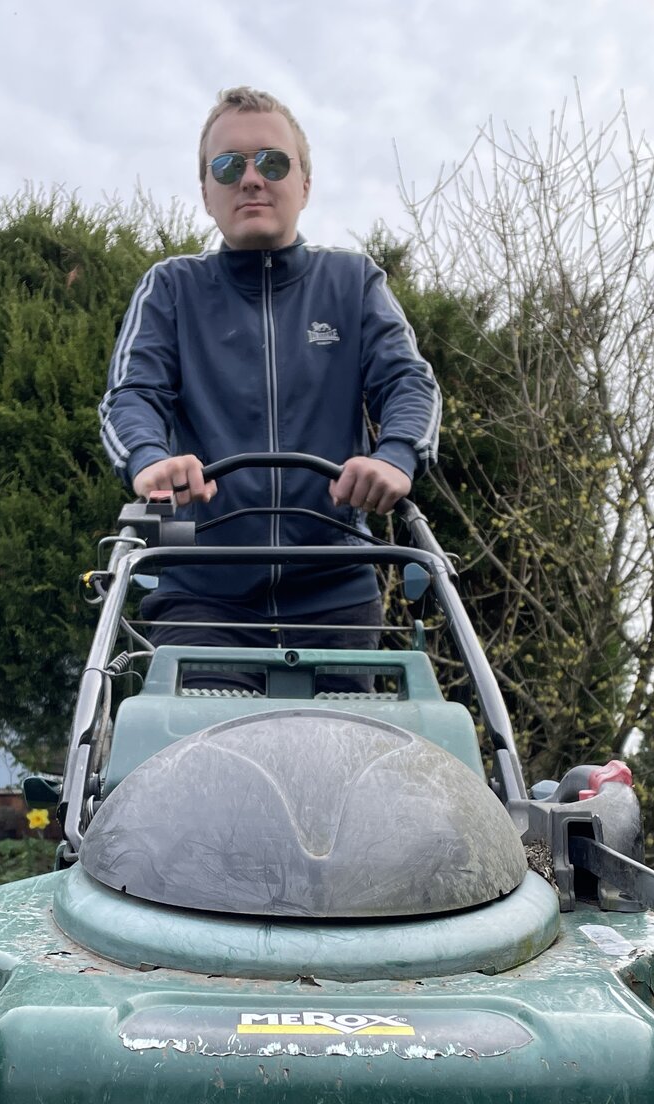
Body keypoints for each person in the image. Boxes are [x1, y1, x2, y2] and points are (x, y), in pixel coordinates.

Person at [98, 85, 442, 680]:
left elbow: (409, 381)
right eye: (229, 166)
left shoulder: (354, 282)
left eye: (273, 162)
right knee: (192, 742)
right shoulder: (171, 288)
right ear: (206, 192)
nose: (252, 179)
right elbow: (132, 395)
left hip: (336, 592)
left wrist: (395, 456)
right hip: (201, 594)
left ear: (304, 183)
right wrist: (150, 460)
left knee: (344, 745)